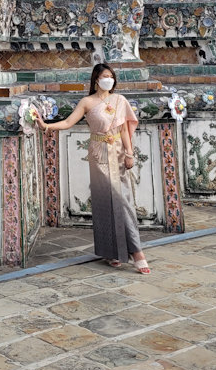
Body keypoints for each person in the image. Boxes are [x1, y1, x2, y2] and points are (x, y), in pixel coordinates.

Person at [36, 62, 151, 274]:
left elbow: (124, 129)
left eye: (112, 76)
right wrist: (47, 126)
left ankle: (136, 252)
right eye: (105, 76)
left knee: (122, 200)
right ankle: (111, 252)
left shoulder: (119, 100)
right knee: (103, 201)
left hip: (117, 152)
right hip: (98, 154)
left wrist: (129, 152)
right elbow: (69, 122)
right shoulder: (87, 102)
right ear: (96, 79)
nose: (109, 79)